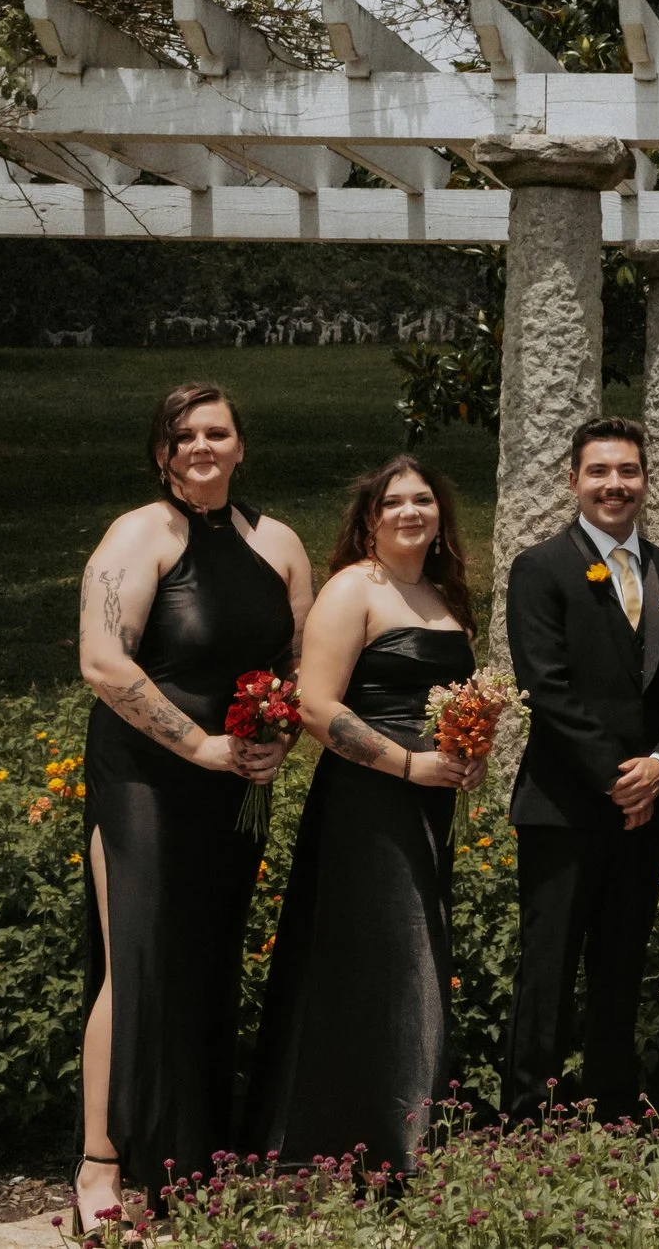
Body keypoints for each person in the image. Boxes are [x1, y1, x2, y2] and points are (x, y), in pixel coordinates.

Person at [71, 384, 312, 1233]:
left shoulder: (277, 541)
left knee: (208, 958)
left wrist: (275, 735)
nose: (202, 447)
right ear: (162, 452)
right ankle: (102, 1157)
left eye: (218, 432)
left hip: (235, 782)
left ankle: (193, 1152)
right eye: (185, 436)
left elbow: (296, 661)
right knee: (136, 958)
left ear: (241, 445)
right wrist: (200, 744)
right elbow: (104, 661)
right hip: (144, 776)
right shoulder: (140, 534)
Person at [246, 457, 484, 1179]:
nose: (410, 511)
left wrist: (469, 751)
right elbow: (317, 706)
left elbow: (460, 698)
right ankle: (376, 1139)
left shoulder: (445, 595)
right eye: (394, 502)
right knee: (383, 955)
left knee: (416, 952)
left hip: (430, 795)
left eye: (423, 498)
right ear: (370, 518)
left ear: (440, 512)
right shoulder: (355, 589)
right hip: (368, 798)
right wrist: (408, 764)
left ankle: (394, 1123)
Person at [501, 416, 659, 1124]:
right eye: (599, 472)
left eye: (628, 471)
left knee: (622, 963)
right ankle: (530, 1115)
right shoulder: (540, 567)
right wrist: (620, 777)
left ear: (646, 479)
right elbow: (545, 686)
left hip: (648, 805)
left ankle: (614, 1106)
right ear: (573, 480)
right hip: (564, 805)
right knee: (548, 969)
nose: (614, 484)